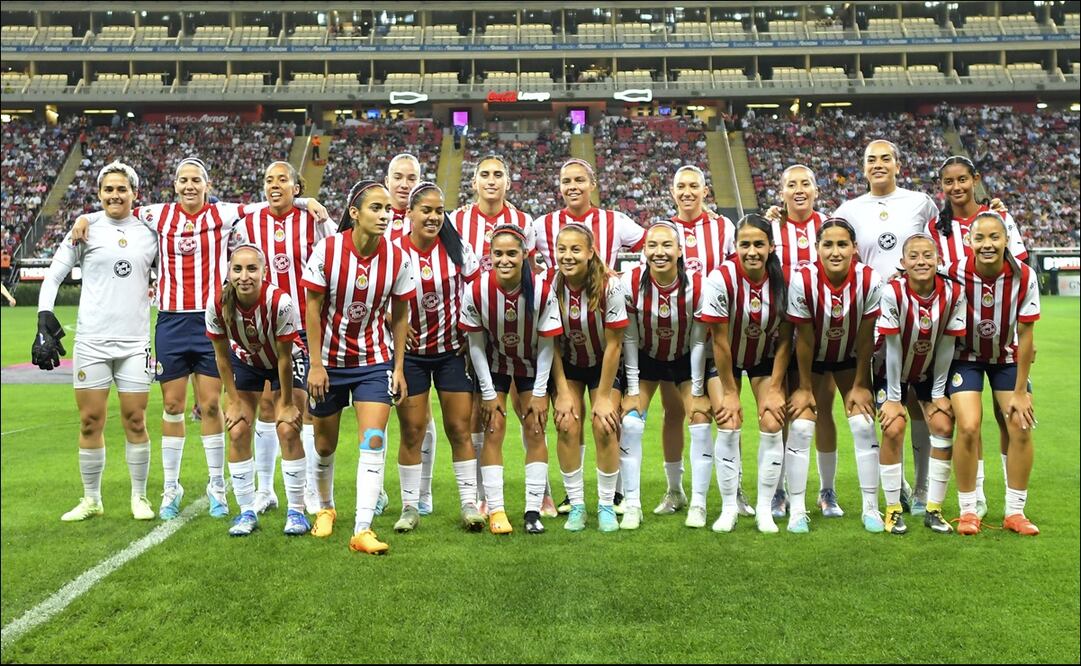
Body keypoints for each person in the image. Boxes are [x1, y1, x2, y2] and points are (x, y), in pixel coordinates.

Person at [71, 157, 329, 521]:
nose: (189, 185)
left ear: (207, 185)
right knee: (173, 406)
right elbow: (118, 208)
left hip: (213, 321)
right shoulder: (157, 215)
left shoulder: (224, 214)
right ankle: (171, 488)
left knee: (211, 406)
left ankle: (217, 488)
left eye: (196, 180)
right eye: (183, 180)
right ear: (174, 185)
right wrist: (86, 218)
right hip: (172, 322)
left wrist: (306, 201)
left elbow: (269, 201)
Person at [34, 161, 158, 522]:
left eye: (122, 189)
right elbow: (54, 276)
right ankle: (91, 499)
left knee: (136, 419)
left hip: (135, 342)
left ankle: (140, 497)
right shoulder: (84, 230)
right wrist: (44, 316)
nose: (115, 195)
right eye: (108, 190)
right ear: (99, 194)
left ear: (135, 193)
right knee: (90, 420)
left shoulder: (150, 233)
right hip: (91, 342)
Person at [301, 180, 415, 554]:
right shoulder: (328, 250)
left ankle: (362, 528)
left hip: (373, 361)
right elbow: (313, 309)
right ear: (354, 213)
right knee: (324, 444)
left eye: (388, 210)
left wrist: (398, 367)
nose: (385, 216)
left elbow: (401, 315)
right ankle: (326, 507)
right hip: (329, 364)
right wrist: (316, 364)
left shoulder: (398, 258)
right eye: (376, 209)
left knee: (374, 440)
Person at [833, 140, 939, 517]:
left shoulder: (921, 202)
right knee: (884, 404)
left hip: (917, 317)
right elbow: (837, 250)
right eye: (871, 160)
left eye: (885, 159)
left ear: (898, 164)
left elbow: (948, 235)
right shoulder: (848, 209)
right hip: (870, 319)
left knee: (917, 404)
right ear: (863, 169)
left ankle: (924, 485)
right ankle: (900, 484)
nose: (878, 165)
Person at [534, 158, 645, 515]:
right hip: (568, 350)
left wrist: (625, 282)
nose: (573, 186)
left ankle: (611, 497)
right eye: (566, 180)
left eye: (580, 179)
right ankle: (575, 498)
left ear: (593, 184)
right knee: (567, 418)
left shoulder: (616, 222)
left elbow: (656, 241)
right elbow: (514, 245)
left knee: (604, 420)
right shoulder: (544, 227)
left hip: (603, 343)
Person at [231, 161, 335, 516]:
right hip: (260, 327)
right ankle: (264, 489)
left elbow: (334, 253)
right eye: (268, 179)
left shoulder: (313, 220)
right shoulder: (248, 224)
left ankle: (303, 488)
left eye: (282, 180)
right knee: (264, 405)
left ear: (296, 186)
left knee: (300, 407)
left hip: (304, 325)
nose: (274, 185)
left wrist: (310, 205)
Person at [929, 155, 1029, 518]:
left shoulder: (998, 218)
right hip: (961, 342)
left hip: (1004, 339)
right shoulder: (937, 227)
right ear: (942, 186)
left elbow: (1020, 267)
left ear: (975, 180)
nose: (956, 188)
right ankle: (979, 496)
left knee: (1010, 420)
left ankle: (1014, 504)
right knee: (968, 423)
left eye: (962, 180)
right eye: (948, 182)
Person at [449, 154, 540, 515]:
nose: (491, 180)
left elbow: (531, 273)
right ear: (473, 182)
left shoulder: (523, 221)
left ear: (508, 181)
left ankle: (541, 492)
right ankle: (482, 495)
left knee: (525, 407)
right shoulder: (456, 221)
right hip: (473, 326)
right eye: (484, 174)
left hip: (516, 329)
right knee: (480, 412)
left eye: (497, 174)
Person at [393, 182, 485, 532]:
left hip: (451, 353)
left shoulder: (458, 248)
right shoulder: (395, 250)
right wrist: (391, 320)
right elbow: (377, 294)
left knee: (459, 428)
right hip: (411, 356)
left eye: (438, 211)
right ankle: (410, 507)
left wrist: (470, 329)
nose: (433, 217)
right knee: (413, 432)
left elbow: (479, 291)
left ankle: (468, 504)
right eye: (426, 210)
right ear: (410, 214)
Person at [460, 224, 562, 535]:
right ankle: (496, 509)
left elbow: (547, 346)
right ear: (489, 257)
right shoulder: (476, 290)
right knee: (494, 427)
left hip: (532, 365)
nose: (505, 260)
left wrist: (542, 392)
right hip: (495, 364)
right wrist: (489, 393)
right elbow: (475, 345)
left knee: (535, 427)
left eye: (512, 254)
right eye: (498, 254)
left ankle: (533, 510)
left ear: (525, 255)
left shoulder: (542, 291)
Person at [667, 164, 757, 518]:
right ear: (672, 193)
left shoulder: (723, 227)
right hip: (677, 339)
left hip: (717, 335)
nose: (687, 192)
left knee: (726, 413)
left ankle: (734, 491)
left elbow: (739, 265)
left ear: (706, 191)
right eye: (681, 187)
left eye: (694, 186)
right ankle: (677, 491)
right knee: (680, 414)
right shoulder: (663, 230)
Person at [786, 217, 884, 534]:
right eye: (828, 244)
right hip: (810, 359)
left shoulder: (870, 280)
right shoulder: (803, 280)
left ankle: (870, 507)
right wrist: (803, 387)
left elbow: (868, 336)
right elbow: (803, 338)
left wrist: (861, 384)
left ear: (855, 248)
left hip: (849, 358)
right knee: (801, 426)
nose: (835, 251)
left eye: (843, 244)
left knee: (862, 422)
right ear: (817, 249)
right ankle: (797, 508)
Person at [695, 214, 792, 533]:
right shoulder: (720, 278)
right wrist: (731, 392)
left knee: (772, 418)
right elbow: (719, 341)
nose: (751, 251)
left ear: (771, 247)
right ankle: (729, 507)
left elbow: (786, 338)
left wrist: (777, 387)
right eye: (744, 244)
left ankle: (765, 508)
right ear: (735, 246)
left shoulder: (784, 280)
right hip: (725, 360)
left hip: (763, 356)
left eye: (758, 244)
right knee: (728, 419)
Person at [946, 212, 1040, 536]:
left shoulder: (1024, 276)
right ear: (969, 241)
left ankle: (1015, 512)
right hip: (964, 358)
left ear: (1006, 240)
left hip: (1006, 358)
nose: (987, 244)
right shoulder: (954, 272)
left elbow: (1027, 337)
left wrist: (1020, 392)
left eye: (994, 237)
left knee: (1020, 424)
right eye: (980, 238)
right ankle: (968, 510)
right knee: (969, 426)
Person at [206, 244, 309, 536]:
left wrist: (287, 403)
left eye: (252, 269)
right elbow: (222, 357)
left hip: (284, 362)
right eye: (237, 269)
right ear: (229, 271)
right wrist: (234, 400)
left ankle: (297, 512)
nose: (244, 276)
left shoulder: (280, 302)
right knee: (237, 429)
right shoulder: (216, 303)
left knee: (288, 428)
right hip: (248, 363)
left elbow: (285, 358)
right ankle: (246, 512)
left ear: (264, 272)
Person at [619, 221, 709, 530]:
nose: (660, 252)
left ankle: (696, 501)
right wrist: (631, 389)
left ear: (680, 251)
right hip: (646, 359)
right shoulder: (630, 284)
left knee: (698, 420)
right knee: (630, 422)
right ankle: (633, 505)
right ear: (643, 251)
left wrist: (697, 388)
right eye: (653, 246)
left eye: (667, 245)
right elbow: (629, 340)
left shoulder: (698, 285)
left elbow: (698, 341)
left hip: (685, 357)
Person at [874, 234, 966, 535]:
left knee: (942, 426)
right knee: (894, 426)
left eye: (928, 255)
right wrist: (894, 399)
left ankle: (933, 509)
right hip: (890, 372)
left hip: (928, 373)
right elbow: (892, 348)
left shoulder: (954, 292)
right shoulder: (892, 292)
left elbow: (947, 345)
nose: (922, 261)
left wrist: (938, 393)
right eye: (913, 256)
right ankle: (892, 509)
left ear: (938, 260)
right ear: (903, 263)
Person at [764, 164, 841, 520]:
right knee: (781, 413)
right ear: (781, 192)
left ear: (816, 189)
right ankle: (779, 490)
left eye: (805, 183)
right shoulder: (773, 229)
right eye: (791, 184)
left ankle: (827, 491)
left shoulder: (829, 226)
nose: (799, 189)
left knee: (821, 408)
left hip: (821, 332)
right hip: (780, 333)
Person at [550, 223, 628, 532]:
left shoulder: (610, 286)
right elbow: (550, 343)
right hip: (568, 364)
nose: (567, 256)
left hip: (604, 365)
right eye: (562, 249)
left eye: (575, 249)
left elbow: (614, 344)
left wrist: (605, 397)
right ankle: (577, 505)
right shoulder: (551, 285)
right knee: (567, 423)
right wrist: (563, 392)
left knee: (604, 425)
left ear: (590, 252)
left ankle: (607, 505)